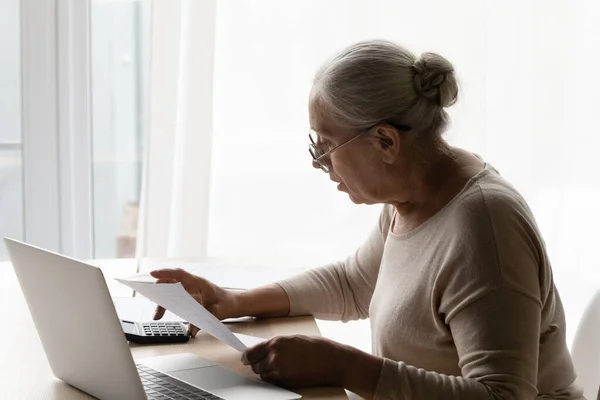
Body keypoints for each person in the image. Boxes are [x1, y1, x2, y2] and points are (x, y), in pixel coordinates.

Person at [151, 40, 584, 399]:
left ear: (385, 141)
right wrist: (232, 302)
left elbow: (503, 395)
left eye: (325, 146)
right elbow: (354, 283)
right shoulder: (413, 194)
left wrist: (343, 365)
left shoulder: (485, 228)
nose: (321, 163)